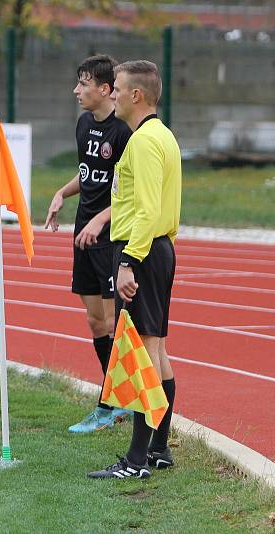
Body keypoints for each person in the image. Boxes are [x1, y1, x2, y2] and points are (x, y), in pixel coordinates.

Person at [88, 60, 181, 480]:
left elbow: (144, 211)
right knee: (156, 350)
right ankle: (159, 449)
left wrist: (128, 261)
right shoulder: (163, 135)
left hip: (140, 251)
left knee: (142, 353)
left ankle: (136, 461)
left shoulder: (143, 142)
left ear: (136, 95)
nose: (113, 95)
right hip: (159, 250)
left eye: (118, 89)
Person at [45, 55, 133, 433]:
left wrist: (101, 219)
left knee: (116, 322)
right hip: (83, 235)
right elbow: (89, 175)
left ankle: (113, 402)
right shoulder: (83, 125)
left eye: (83, 84)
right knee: (96, 321)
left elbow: (129, 193)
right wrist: (62, 193)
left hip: (111, 239)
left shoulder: (126, 133)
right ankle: (116, 398)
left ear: (105, 89)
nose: (76, 91)